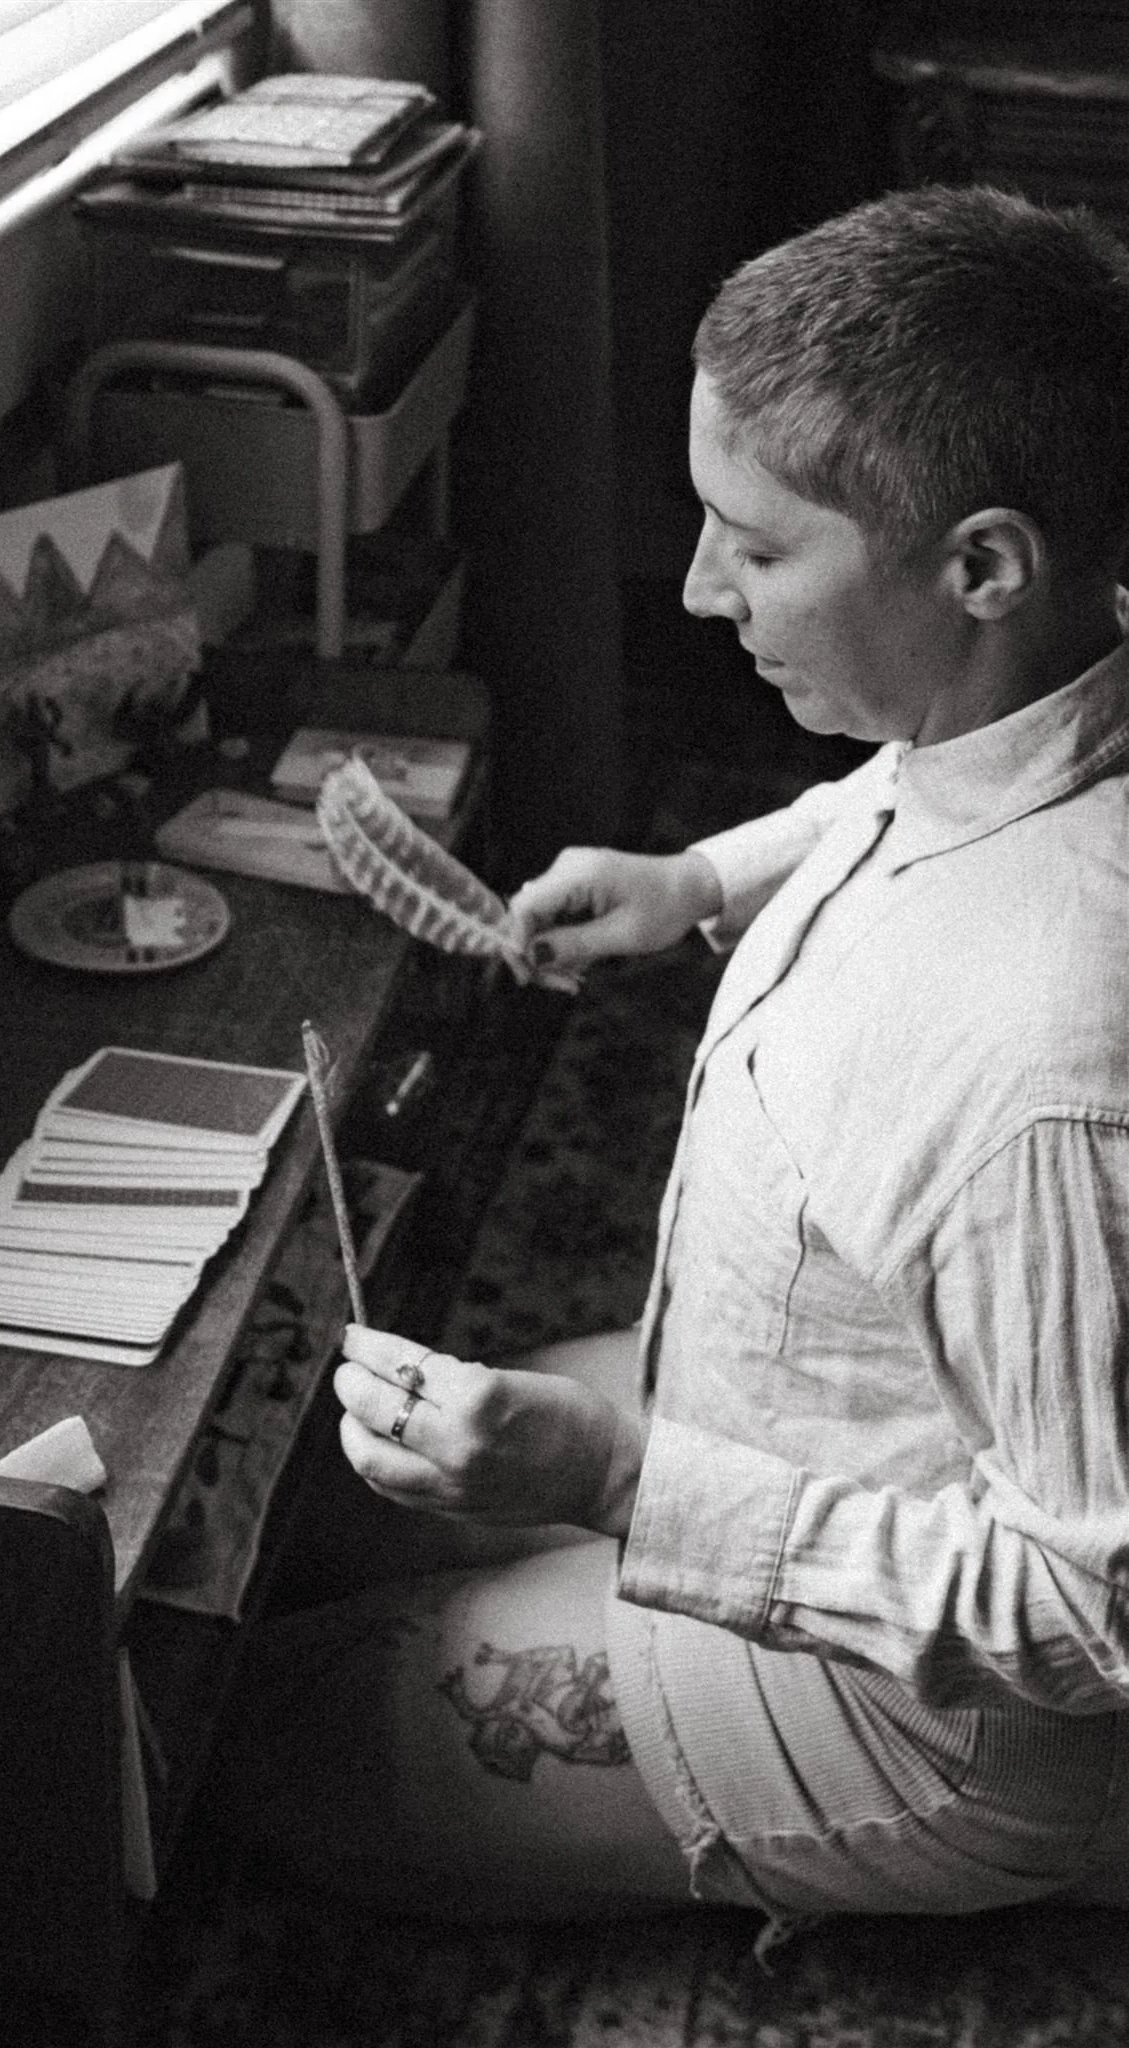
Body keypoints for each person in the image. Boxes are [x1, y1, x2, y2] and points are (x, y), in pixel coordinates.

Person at [214, 185, 1129, 1937]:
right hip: (818, 1398)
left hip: (937, 1716)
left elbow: (1093, 1613)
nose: (701, 589)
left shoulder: (1048, 1069)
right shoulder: (1053, 676)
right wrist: (705, 878)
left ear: (984, 567)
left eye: (761, 548)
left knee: (259, 1745)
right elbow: (904, 783)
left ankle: (1066, 1852)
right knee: (293, 1521)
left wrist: (621, 1485)